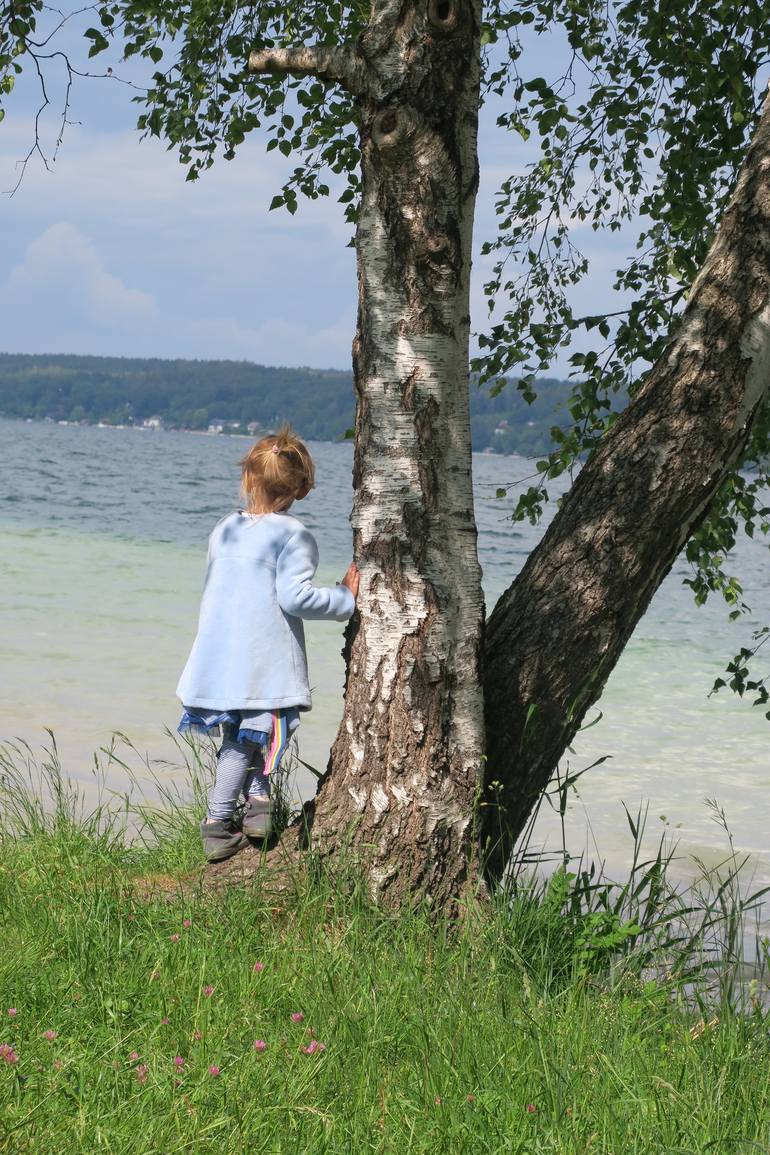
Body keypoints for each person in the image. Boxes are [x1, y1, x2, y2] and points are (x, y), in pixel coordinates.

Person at [176, 426, 359, 862]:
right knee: (244, 741)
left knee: (247, 735)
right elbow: (295, 597)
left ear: (248, 478)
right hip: (260, 660)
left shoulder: (224, 529)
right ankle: (218, 823)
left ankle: (258, 809)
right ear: (301, 489)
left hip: (220, 657)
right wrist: (345, 598)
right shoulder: (293, 535)